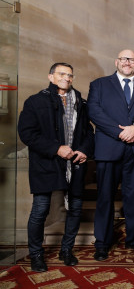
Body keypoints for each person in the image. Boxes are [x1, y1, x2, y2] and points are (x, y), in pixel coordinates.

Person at [18, 63, 94, 271]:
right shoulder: (35, 101)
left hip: (75, 163)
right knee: (40, 209)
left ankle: (66, 250)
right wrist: (56, 148)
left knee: (75, 208)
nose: (66, 78)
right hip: (46, 162)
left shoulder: (81, 102)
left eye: (70, 75)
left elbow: (88, 132)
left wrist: (84, 150)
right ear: (51, 76)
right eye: (61, 74)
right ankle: (36, 255)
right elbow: (27, 133)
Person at [88, 50, 134, 261]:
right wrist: (120, 131)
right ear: (117, 62)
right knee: (104, 198)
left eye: (132, 60)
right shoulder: (99, 84)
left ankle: (133, 239)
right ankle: (102, 242)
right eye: (124, 59)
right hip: (109, 148)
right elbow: (94, 111)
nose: (128, 62)